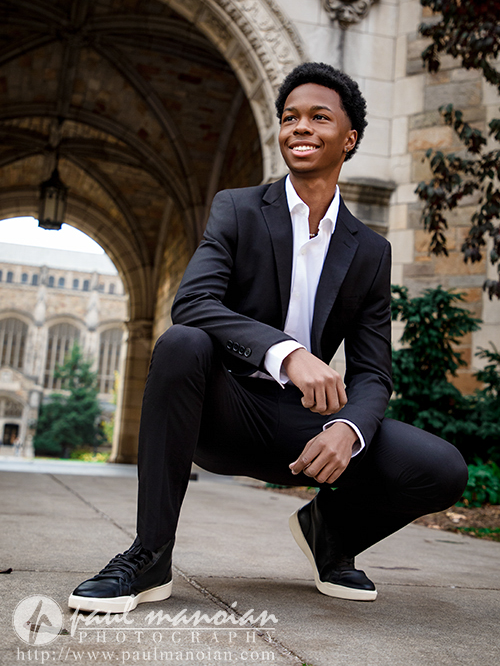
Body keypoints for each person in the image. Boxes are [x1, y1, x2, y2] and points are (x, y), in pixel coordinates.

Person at [69, 62, 468, 613]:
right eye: (290, 117)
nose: (299, 127)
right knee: (182, 342)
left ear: (349, 138)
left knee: (442, 467)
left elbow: (374, 373)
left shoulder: (370, 251)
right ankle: (149, 554)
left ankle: (330, 535)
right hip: (224, 410)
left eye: (318, 117)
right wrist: (288, 354)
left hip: (305, 431)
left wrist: (348, 430)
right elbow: (193, 303)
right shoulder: (237, 209)